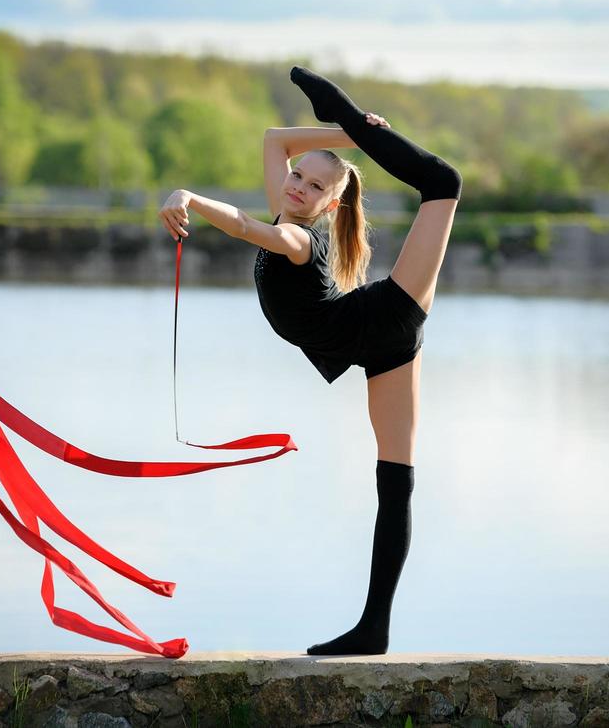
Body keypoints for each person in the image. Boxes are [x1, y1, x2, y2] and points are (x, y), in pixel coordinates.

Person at [159, 65, 462, 656]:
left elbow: (249, 227)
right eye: (297, 177)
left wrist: (188, 196)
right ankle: (374, 630)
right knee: (394, 478)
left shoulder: (300, 237)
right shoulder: (291, 206)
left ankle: (343, 108)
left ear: (330, 204)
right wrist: (348, 138)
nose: (297, 186)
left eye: (314, 186)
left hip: (379, 322)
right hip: (378, 341)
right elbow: (276, 138)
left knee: (443, 182)